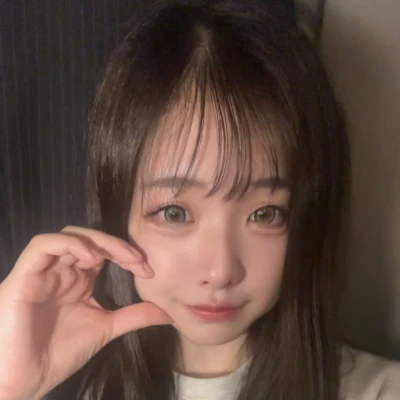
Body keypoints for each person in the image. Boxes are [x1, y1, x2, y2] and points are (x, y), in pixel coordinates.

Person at [0, 1, 399, 399]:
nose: (220, 271)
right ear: (118, 213)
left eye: (265, 214)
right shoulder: (85, 386)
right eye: (175, 213)